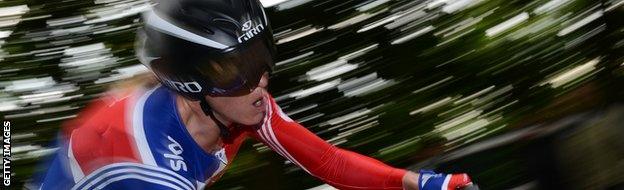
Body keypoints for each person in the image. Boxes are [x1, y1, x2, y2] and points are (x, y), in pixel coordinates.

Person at [34, 0, 475, 189]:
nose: (260, 81)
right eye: (238, 70)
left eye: (259, 58)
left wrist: (417, 182)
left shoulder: (239, 100)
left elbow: (328, 161)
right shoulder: (148, 169)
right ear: (192, 83)